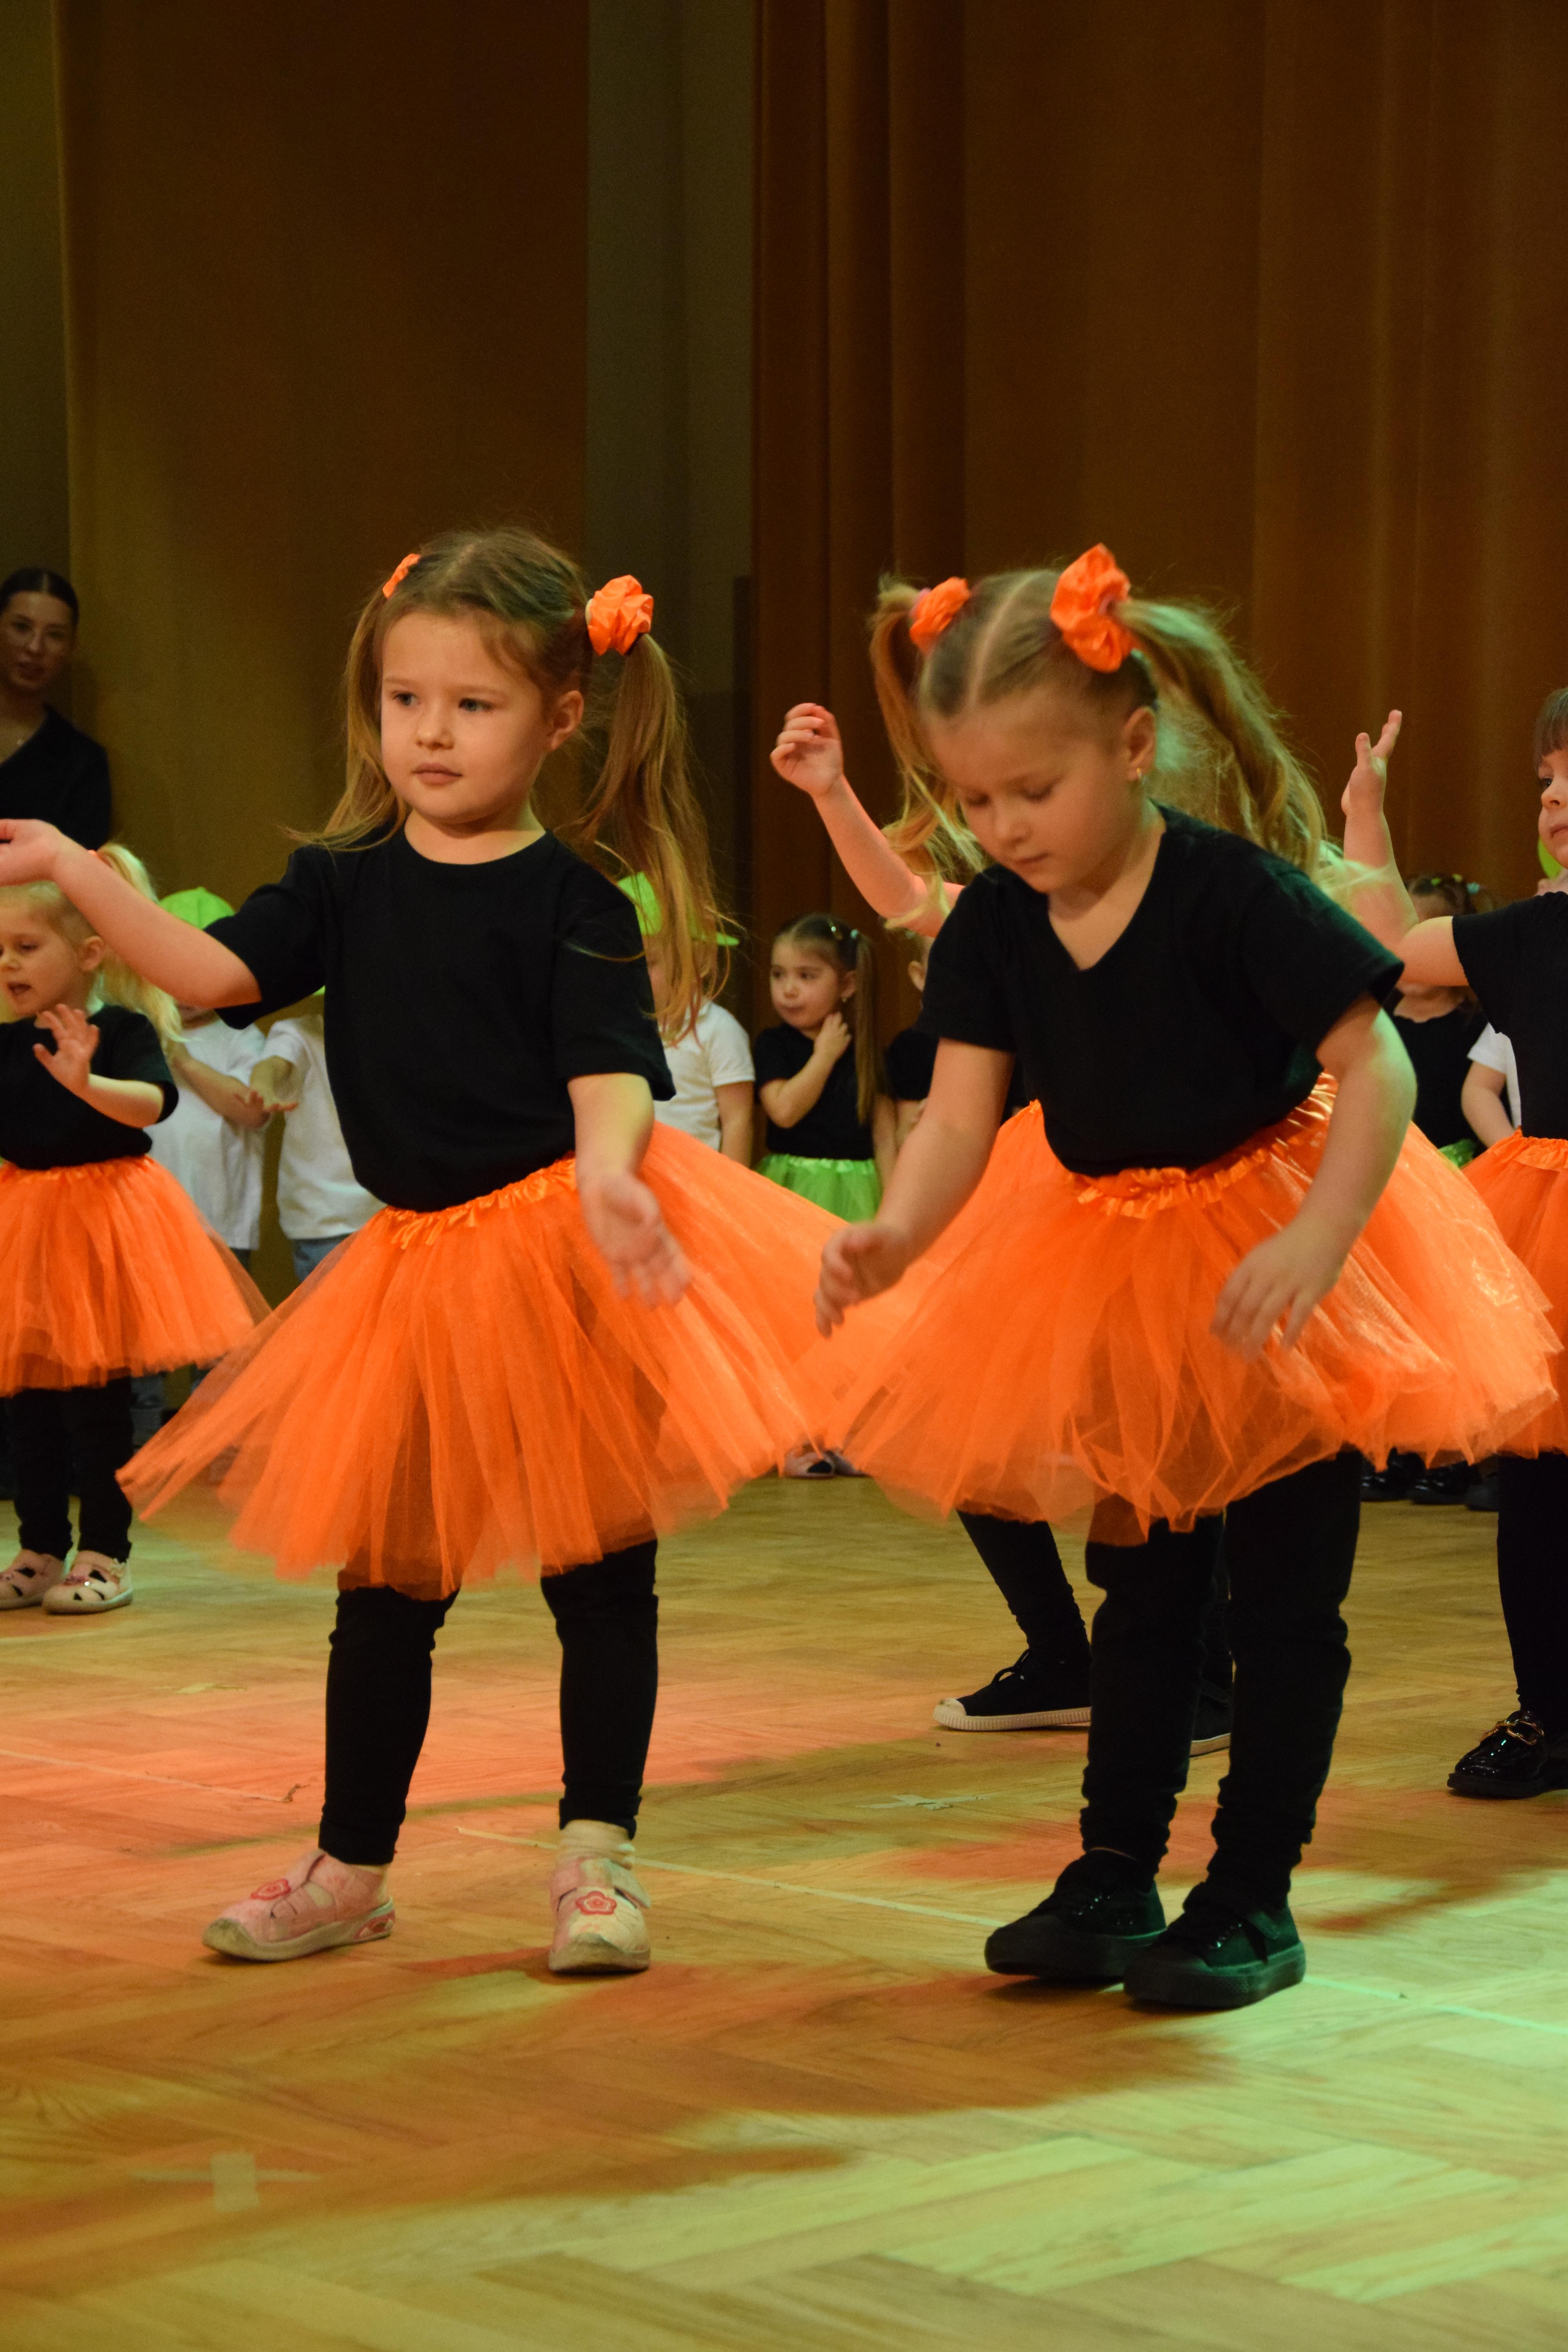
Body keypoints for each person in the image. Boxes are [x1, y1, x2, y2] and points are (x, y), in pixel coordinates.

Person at [0, 528, 842, 1973]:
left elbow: (606, 1071)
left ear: (558, 718)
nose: (431, 733)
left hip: (557, 1255)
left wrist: (612, 1176)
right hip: (413, 1273)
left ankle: (595, 1858)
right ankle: (350, 1865)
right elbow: (209, 974)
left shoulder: (576, 900)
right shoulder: (340, 883)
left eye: (472, 704)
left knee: (598, 1572)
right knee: (386, 1584)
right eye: (406, 701)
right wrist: (76, 863)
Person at [812, 547, 1555, 2009]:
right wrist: (895, 1233)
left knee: (1282, 1599)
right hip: (1112, 1254)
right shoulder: (996, 922)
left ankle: (1249, 1890)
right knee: (1142, 1591)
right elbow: (957, 1116)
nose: (1003, 828)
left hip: (1276, 1246)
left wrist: (1316, 1240)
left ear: (1133, 744)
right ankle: (1112, 1869)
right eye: (974, 800)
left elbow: (1379, 1066)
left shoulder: (1232, 892)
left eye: (1034, 791)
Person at [1342, 683, 1568, 1800]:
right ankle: (1551, 1711)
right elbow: (1388, 945)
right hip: (1550, 1216)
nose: (1556, 798)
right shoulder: (1532, 934)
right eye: (1546, 780)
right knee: (1543, 1485)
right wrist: (1365, 817)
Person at [0, 849, 260, 1615]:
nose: (7, 963)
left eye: (26, 946)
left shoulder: (120, 1028)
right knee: (27, 1404)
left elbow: (153, 1103)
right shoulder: (5, 1040)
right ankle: (38, 1547)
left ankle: (106, 1552)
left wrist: (86, 1081)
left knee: (96, 1407)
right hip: (24, 1227)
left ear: (89, 954)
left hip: (101, 1224)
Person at [1361, 872, 1492, 1504]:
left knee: (1444, 1323)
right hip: (1383, 1187)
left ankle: (1450, 1451)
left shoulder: (1475, 1025)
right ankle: (1390, 1448)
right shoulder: (1375, 1019)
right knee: (1388, 1323)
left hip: (1451, 1185)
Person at [755, 913, 895, 1215]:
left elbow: (885, 1139)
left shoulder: (867, 1052)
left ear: (847, 985)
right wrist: (824, 1057)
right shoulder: (773, 1044)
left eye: (806, 976)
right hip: (790, 1188)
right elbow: (784, 1112)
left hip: (859, 1190)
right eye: (778, 974)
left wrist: (893, 1209)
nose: (789, 989)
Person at [613, 879, 755, 1163]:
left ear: (695, 959)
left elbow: (737, 1120)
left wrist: (728, 1186)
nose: (632, 974)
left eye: (648, 962)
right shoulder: (617, 1027)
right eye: (622, 962)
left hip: (693, 1178)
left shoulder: (719, 1030)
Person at [249, 996, 381, 1285]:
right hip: (324, 1219)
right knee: (333, 1311)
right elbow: (273, 1064)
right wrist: (262, 1086)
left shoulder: (394, 1034)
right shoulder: (298, 1032)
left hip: (389, 1214)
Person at [0, 570, 112, 848]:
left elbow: (80, 864)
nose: (35, 648)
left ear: (71, 648)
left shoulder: (82, 763)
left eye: (55, 636)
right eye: (21, 628)